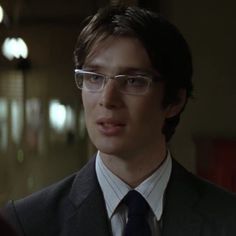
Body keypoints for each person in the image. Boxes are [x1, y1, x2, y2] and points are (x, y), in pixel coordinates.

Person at [1, 5, 236, 236]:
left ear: (174, 101)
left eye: (133, 80)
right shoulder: (25, 223)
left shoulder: (227, 218)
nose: (107, 99)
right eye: (94, 77)